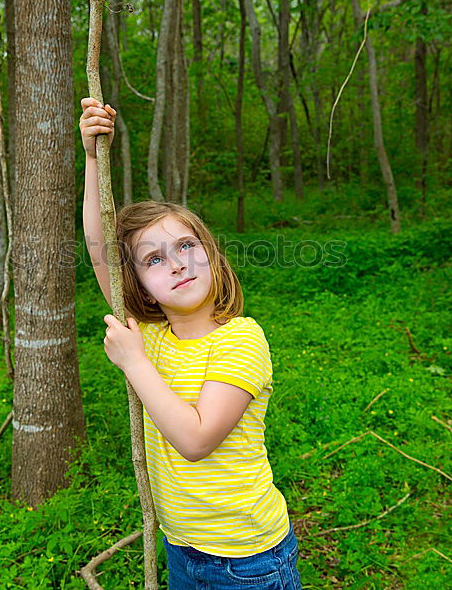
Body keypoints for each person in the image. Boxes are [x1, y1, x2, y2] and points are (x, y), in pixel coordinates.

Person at [78, 97, 301, 589]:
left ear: (212, 258)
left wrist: (134, 364)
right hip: (180, 547)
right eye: (153, 259)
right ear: (136, 282)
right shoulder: (152, 335)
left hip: (247, 560)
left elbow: (196, 440)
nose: (176, 263)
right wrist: (95, 158)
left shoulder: (241, 339)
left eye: (185, 247)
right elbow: (99, 252)